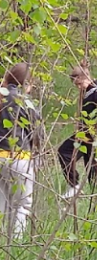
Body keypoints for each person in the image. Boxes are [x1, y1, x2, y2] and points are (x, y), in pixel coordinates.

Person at [0, 63, 40, 239]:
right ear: (26, 82)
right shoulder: (26, 102)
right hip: (20, 157)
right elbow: (36, 131)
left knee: (2, 203)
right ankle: (15, 245)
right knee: (22, 205)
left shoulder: (1, 97)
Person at [58, 63, 97, 199]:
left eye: (80, 83)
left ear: (87, 78)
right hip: (84, 133)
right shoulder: (87, 93)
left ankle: (92, 194)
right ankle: (76, 186)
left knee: (66, 152)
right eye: (76, 85)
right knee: (88, 164)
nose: (79, 87)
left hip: (91, 134)